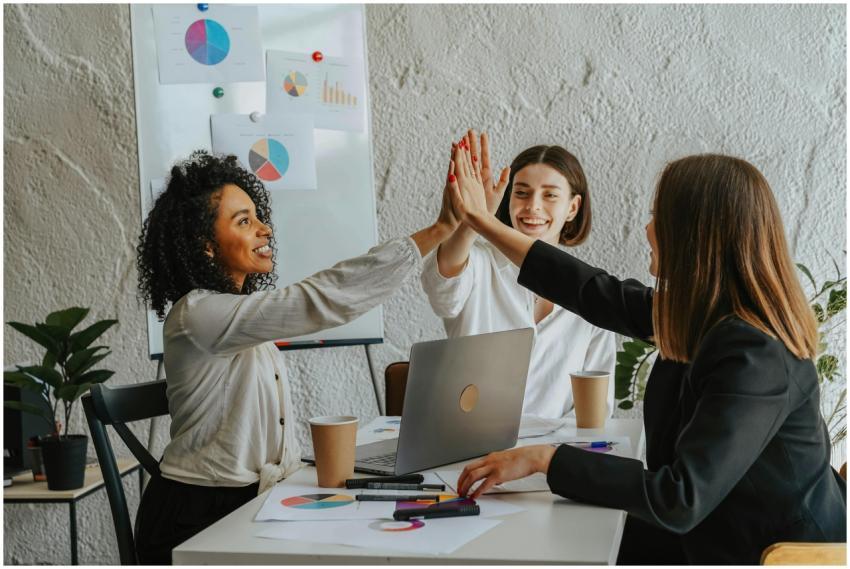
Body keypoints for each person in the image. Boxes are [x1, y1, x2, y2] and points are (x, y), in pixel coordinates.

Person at [446, 143, 847, 564]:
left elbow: (678, 497)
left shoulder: (755, 352)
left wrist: (545, 459)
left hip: (765, 551)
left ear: (695, 235)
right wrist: (480, 221)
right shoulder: (702, 314)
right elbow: (590, 290)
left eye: (659, 216)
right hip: (712, 529)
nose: (648, 229)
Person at [133, 150, 459, 564]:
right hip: (197, 518)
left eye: (257, 216)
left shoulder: (236, 317)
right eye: (244, 221)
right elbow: (317, 301)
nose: (264, 229)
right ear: (206, 246)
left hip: (246, 504)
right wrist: (440, 230)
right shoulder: (198, 314)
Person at [420, 131, 615, 418]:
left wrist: (551, 457)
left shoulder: (592, 291)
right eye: (521, 192)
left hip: (550, 455)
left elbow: (596, 408)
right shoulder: (478, 263)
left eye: (550, 195)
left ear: (572, 207)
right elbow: (441, 289)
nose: (533, 206)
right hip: (470, 448)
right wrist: (474, 219)